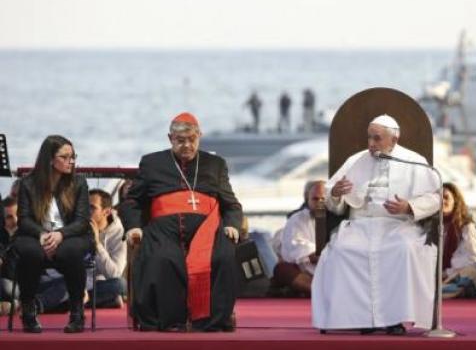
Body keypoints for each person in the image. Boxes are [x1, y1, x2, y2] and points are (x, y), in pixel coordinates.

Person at [312, 114, 440, 335]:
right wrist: (335, 193)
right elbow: (333, 200)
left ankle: (395, 319)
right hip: (360, 224)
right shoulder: (356, 160)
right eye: (369, 138)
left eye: (377, 138)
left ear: (394, 139)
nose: (371, 144)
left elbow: (436, 198)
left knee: (403, 249)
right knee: (343, 250)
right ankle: (359, 318)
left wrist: (409, 206)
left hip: (398, 225)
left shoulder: (414, 161)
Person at [121, 112, 243, 332]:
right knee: (163, 258)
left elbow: (231, 204)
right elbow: (132, 201)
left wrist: (232, 224)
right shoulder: (151, 163)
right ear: (170, 139)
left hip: (207, 229)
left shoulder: (215, 164)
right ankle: (169, 320)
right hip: (163, 230)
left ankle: (211, 321)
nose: (187, 145)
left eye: (192, 140)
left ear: (199, 137)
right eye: (180, 140)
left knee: (222, 256)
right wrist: (133, 226)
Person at [15, 135, 90, 333]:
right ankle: (28, 310)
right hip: (34, 235)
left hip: (71, 236)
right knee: (31, 252)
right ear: (49, 158)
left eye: (73, 156)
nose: (71, 161)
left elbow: (82, 222)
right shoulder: (28, 183)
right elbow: (23, 220)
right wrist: (41, 234)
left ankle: (77, 312)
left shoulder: (79, 182)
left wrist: (60, 235)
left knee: (70, 252)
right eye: (65, 157)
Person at [273, 181, 325, 295]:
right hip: (306, 272)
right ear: (308, 200)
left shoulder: (340, 221)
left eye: (323, 199)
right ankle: (320, 292)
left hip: (334, 271)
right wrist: (326, 257)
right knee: (282, 270)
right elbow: (304, 253)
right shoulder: (296, 219)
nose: (319, 203)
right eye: (315, 199)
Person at [441, 182, 476, 298]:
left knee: (473, 274)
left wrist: (446, 273)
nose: (442, 202)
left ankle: (444, 291)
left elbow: (473, 259)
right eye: (438, 198)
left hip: (456, 274)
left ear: (455, 201)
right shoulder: (430, 227)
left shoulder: (466, 227)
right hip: (436, 277)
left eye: (446, 197)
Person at [87, 189, 126, 308]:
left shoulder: (119, 233)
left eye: (92, 208)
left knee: (120, 284)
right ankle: (104, 300)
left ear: (107, 211)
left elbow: (115, 274)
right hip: (76, 283)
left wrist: (97, 244)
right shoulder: (77, 224)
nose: (86, 211)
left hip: (99, 285)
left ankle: (78, 301)